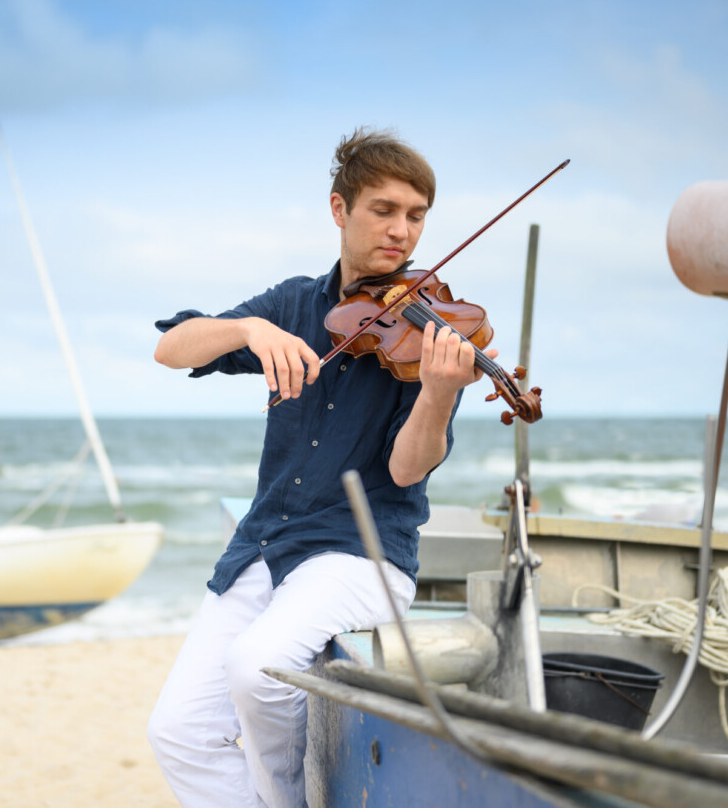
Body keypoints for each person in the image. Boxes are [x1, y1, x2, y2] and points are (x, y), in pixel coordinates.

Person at [146, 128, 495, 808]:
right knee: (177, 730)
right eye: (383, 210)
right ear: (340, 209)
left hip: (360, 554)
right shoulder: (297, 305)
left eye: (416, 215)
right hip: (267, 544)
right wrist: (249, 329)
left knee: (259, 669)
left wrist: (438, 390)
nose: (401, 231)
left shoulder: (427, 332)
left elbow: (405, 470)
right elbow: (172, 347)